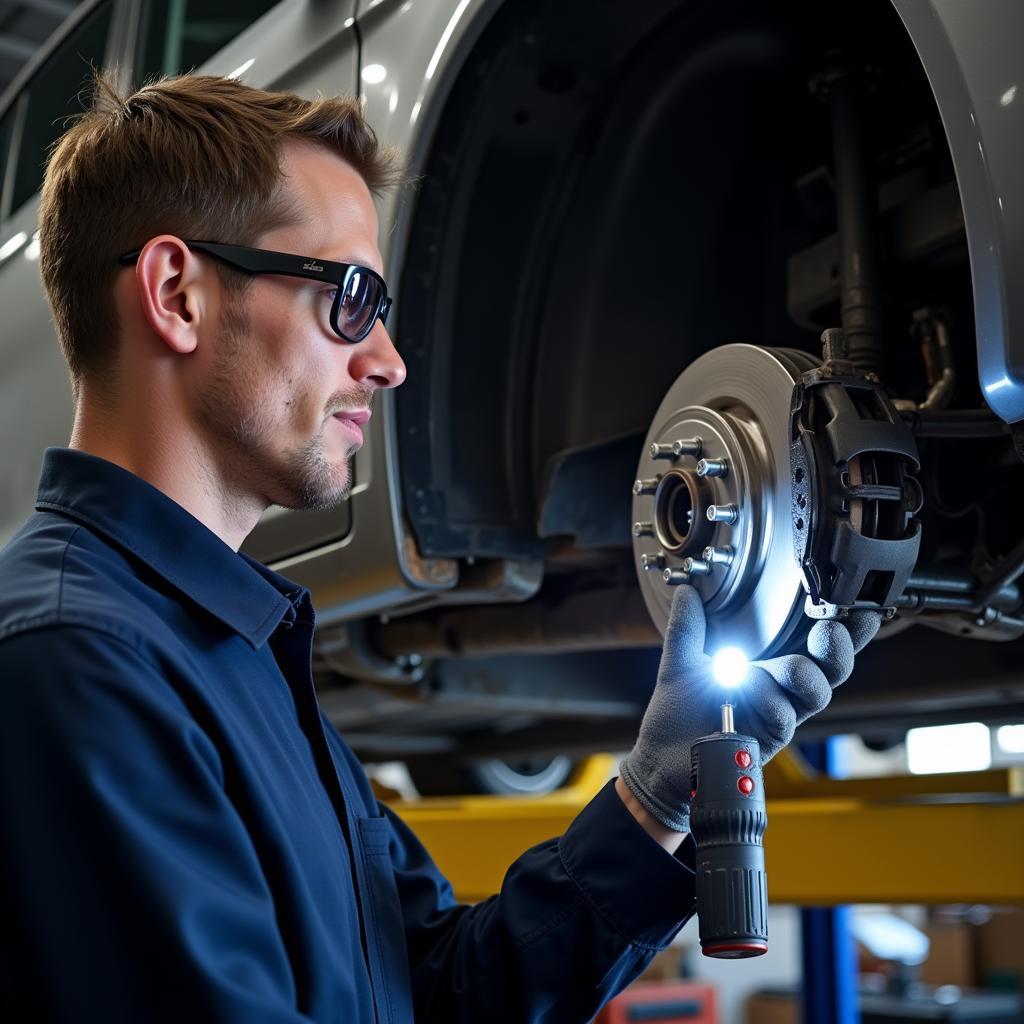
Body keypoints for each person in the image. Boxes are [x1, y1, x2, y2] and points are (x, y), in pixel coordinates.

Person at [0, 71, 878, 1023]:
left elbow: (437, 988)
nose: (387, 360)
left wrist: (655, 796)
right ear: (178, 294)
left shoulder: (232, 650)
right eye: (349, 297)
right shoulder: (77, 661)